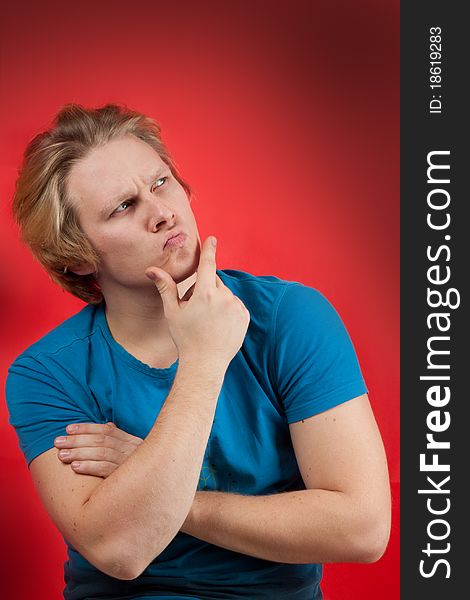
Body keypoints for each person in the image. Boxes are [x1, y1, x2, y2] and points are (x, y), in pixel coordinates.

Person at [5, 103, 391, 600]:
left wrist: (156, 485)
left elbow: (361, 529)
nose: (162, 212)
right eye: (124, 206)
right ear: (77, 257)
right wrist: (205, 362)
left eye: (161, 183)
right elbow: (120, 549)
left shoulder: (290, 318)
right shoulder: (47, 373)